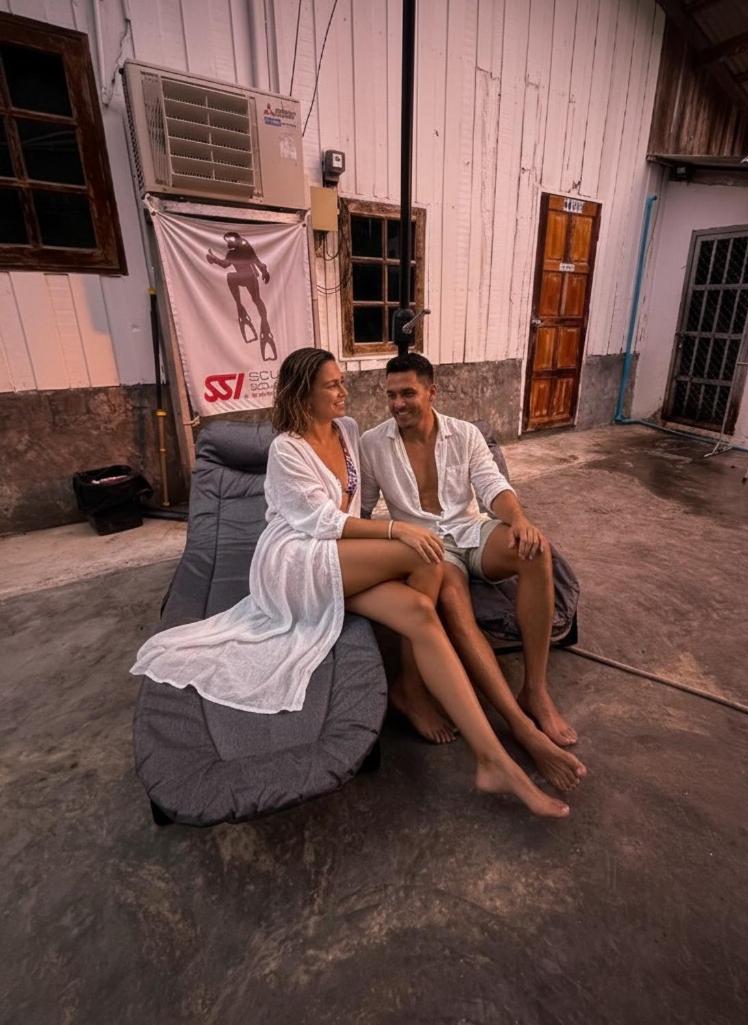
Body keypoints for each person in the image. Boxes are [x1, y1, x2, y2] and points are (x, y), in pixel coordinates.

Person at [131, 347, 573, 818]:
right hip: (294, 559)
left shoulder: (347, 431)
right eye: (333, 385)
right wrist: (395, 530)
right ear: (305, 393)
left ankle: (491, 759)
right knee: (421, 552)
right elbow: (321, 519)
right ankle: (420, 693)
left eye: (342, 381)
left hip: (336, 556)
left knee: (421, 611)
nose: (346, 391)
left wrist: (401, 534)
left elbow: (357, 505)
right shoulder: (287, 449)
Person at [360, 352, 587, 791]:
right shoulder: (373, 443)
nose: (398, 404)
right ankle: (518, 725)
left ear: (431, 392)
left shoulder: (464, 434)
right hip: (429, 547)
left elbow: (492, 485)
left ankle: (535, 690)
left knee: (537, 551)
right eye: (390, 395)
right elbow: (363, 508)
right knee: (451, 597)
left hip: (470, 529)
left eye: (408, 393)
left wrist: (519, 520)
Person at [206, 231, 276, 360]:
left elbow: (256, 260)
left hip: (250, 277)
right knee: (230, 277)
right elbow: (225, 264)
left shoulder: (245, 249)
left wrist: (264, 271)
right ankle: (240, 308)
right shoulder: (231, 254)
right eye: (227, 241)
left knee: (256, 299)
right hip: (241, 277)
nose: (228, 243)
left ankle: (264, 322)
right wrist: (214, 259)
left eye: (230, 240)